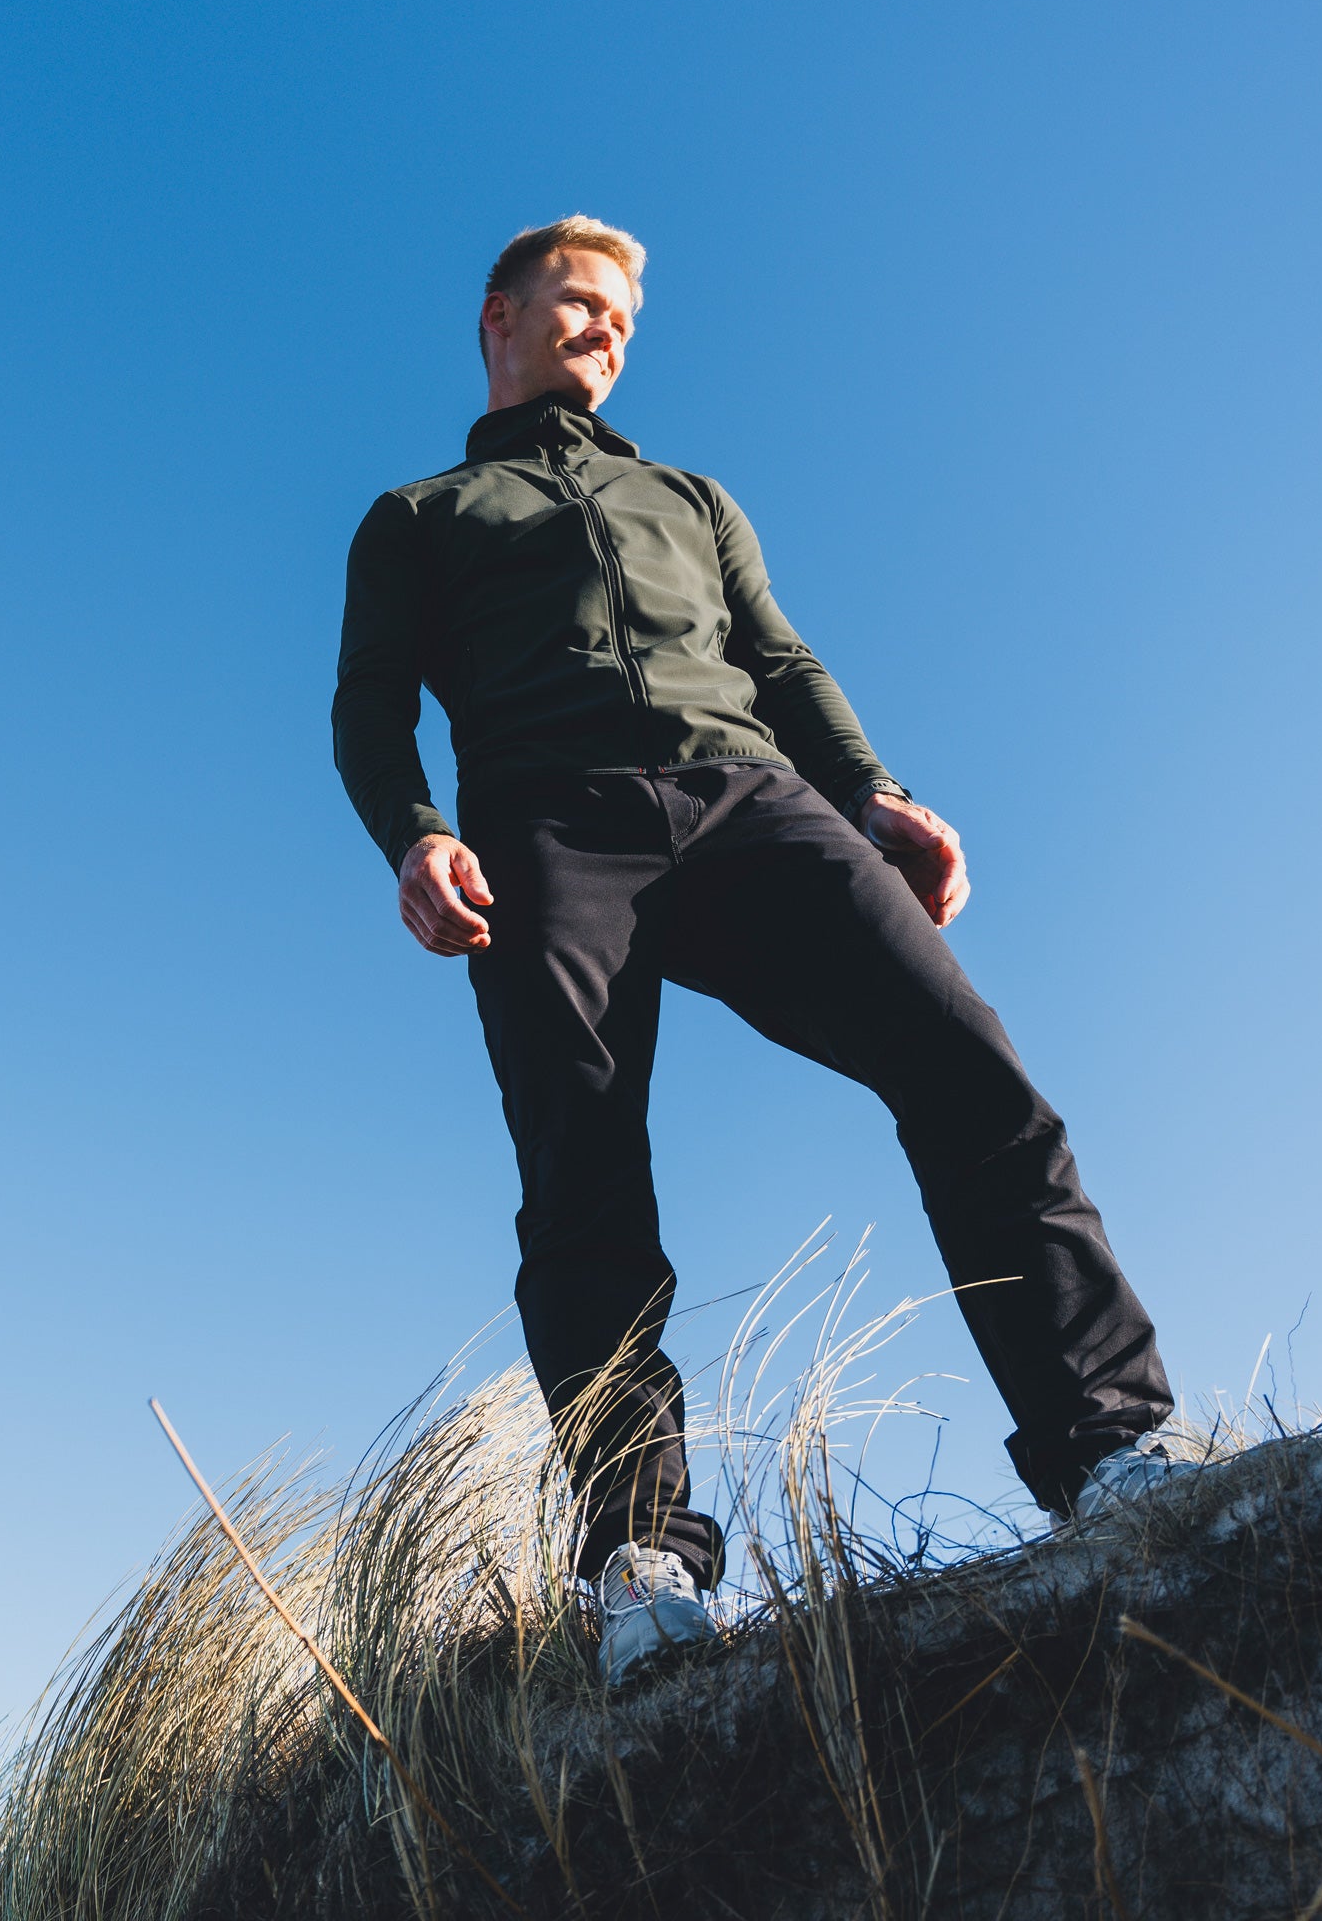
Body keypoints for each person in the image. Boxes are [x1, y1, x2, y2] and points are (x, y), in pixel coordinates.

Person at [333, 215, 1177, 1686]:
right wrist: (416, 833)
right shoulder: (421, 514)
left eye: (623, 318)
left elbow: (780, 661)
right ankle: (642, 1559)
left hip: (751, 802)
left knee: (972, 1075)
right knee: (584, 1177)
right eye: (579, 302)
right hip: (548, 829)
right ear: (498, 317)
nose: (605, 332)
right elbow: (369, 705)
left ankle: (1110, 1448)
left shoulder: (691, 497)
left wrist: (876, 793)